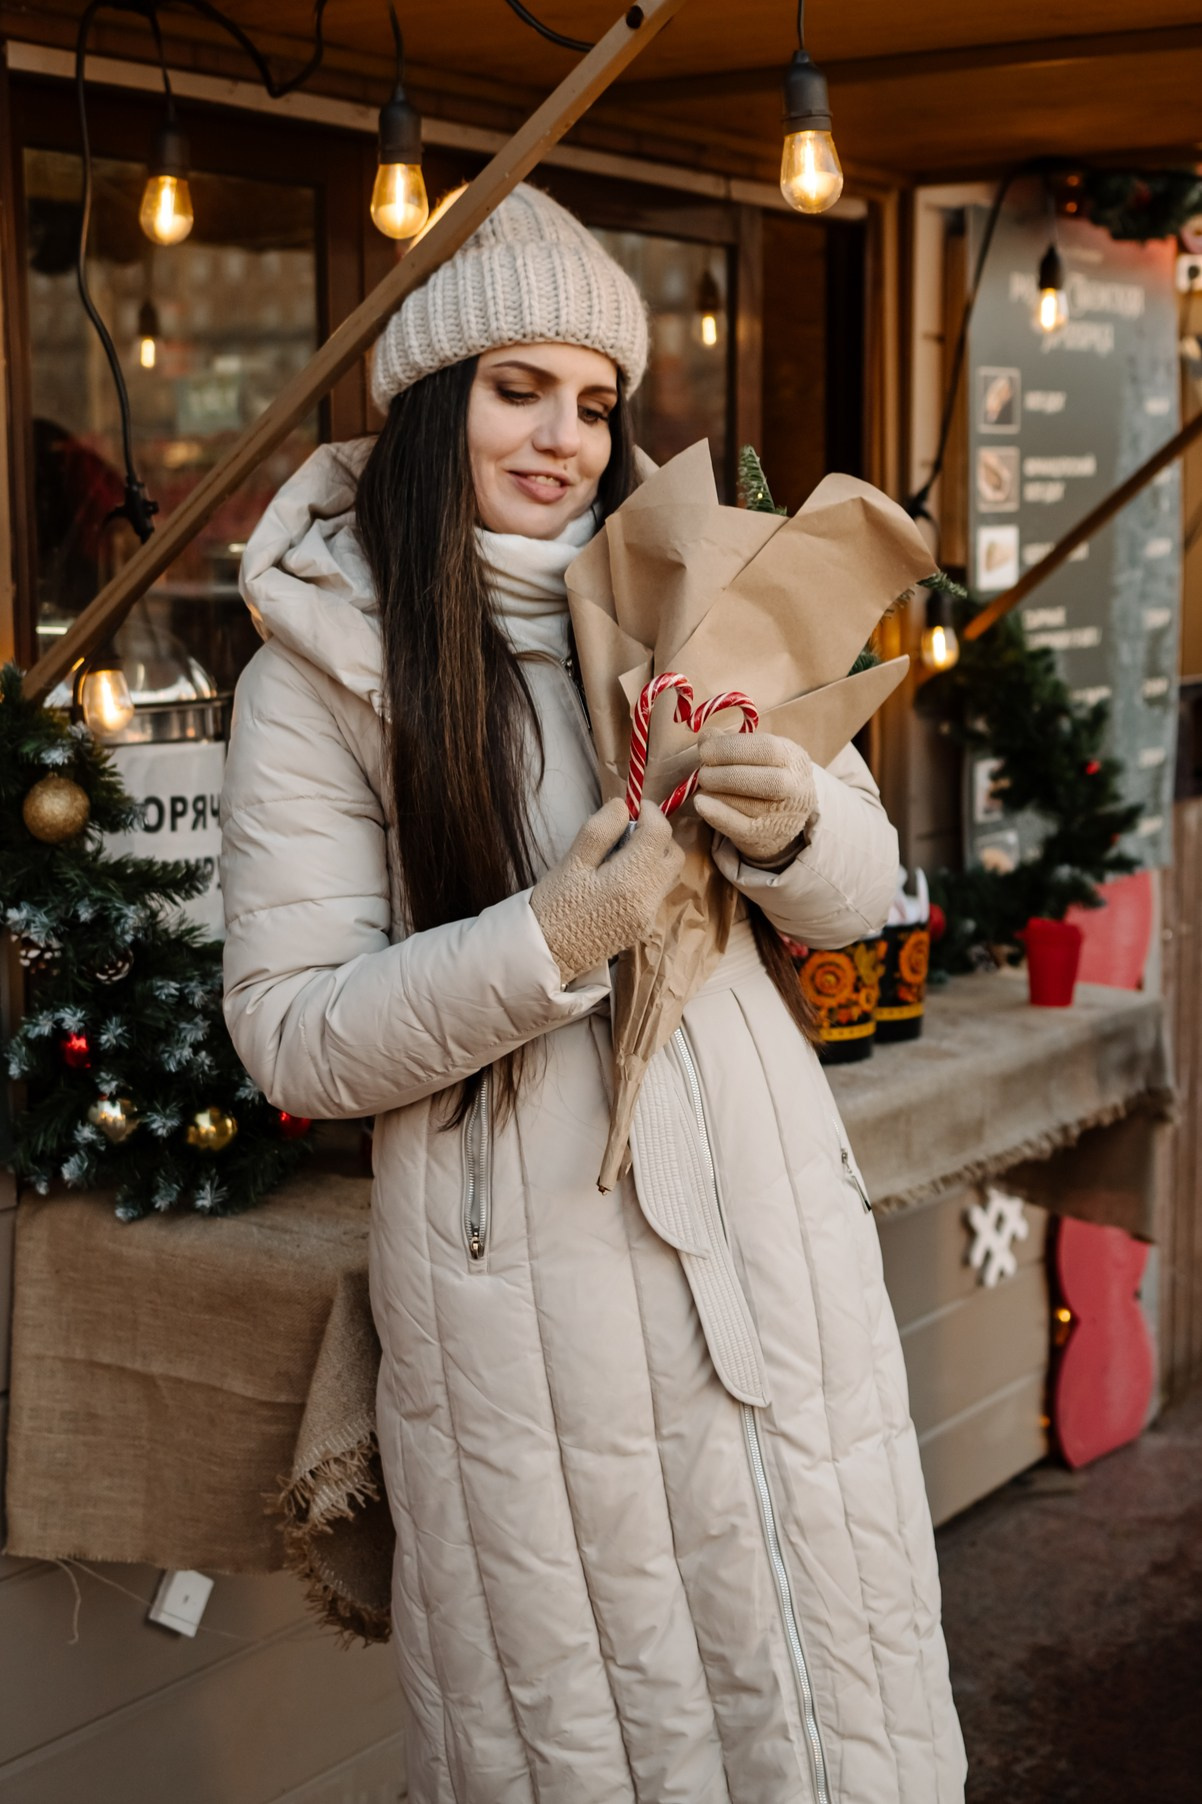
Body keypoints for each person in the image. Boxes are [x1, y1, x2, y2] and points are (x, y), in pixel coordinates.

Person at [220, 183, 966, 1804]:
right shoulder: (319, 672)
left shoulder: (673, 593)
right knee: (596, 1725)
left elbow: (856, 900)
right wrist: (552, 937)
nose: (562, 434)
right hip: (525, 1291)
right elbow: (287, 1026)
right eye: (516, 387)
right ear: (435, 402)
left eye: (595, 398)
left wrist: (794, 824)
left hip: (772, 1234)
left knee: (833, 1694)